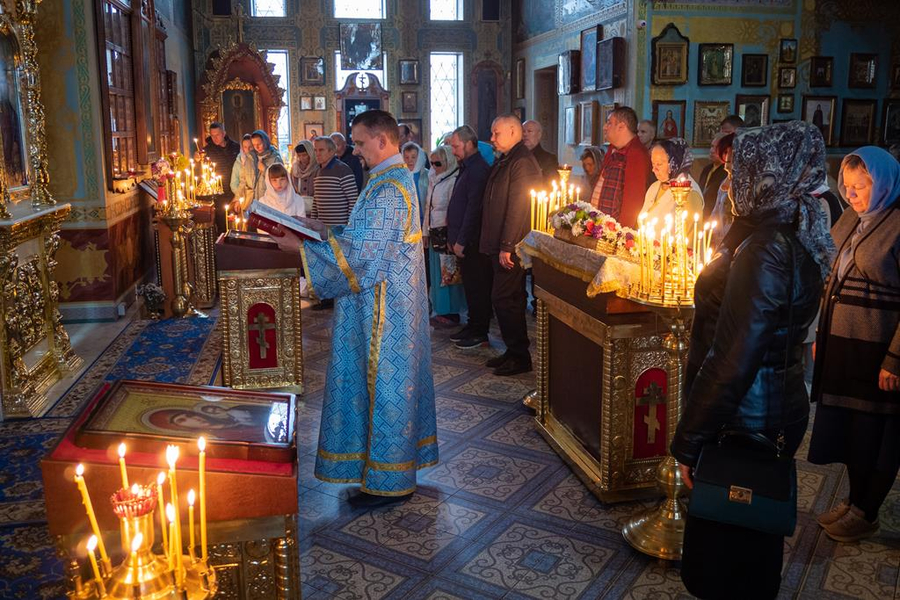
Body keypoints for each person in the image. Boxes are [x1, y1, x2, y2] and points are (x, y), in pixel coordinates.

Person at [671, 122, 834, 599]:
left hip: (743, 421)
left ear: (768, 175)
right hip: (764, 410)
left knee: (728, 560)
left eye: (745, 168)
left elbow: (732, 360)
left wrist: (689, 440)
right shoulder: (786, 230)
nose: (734, 177)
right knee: (745, 553)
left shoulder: (765, 249)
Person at [271, 109, 437, 507]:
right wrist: (322, 233)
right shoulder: (387, 181)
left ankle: (389, 483)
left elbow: (363, 257)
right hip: (382, 306)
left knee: (386, 390)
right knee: (379, 389)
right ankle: (375, 472)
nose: (357, 151)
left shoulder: (390, 188)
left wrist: (304, 252)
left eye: (361, 143)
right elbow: (363, 235)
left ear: (383, 140)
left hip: (386, 314)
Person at [807, 147, 900, 543]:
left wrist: (896, 359)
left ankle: (867, 510)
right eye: (847, 186)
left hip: (877, 350)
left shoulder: (897, 223)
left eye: (861, 186)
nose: (853, 194)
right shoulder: (853, 219)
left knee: (874, 434)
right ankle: (853, 501)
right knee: (849, 428)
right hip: (844, 344)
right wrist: (821, 335)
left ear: (883, 183)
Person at [480, 115, 542, 376]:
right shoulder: (508, 158)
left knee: (505, 298)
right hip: (501, 243)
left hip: (511, 245)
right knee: (510, 298)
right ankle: (513, 351)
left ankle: (519, 356)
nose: (492, 139)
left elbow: (518, 208)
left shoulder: (522, 162)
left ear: (513, 131)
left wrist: (507, 245)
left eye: (496, 133)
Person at [446, 125, 494, 349]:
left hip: (473, 242)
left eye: (456, 146)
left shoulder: (478, 169)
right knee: (471, 287)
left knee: (478, 287)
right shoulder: (467, 166)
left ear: (468, 144)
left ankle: (480, 331)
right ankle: (472, 325)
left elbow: (474, 209)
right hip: (464, 240)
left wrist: (462, 240)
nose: (453, 150)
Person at [311, 135, 358, 310]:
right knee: (326, 263)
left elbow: (352, 200)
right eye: (315, 150)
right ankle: (327, 297)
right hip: (322, 228)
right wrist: (314, 221)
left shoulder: (342, 170)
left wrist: (348, 227)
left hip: (339, 227)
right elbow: (316, 200)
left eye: (321, 150)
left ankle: (340, 298)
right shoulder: (318, 172)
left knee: (339, 264)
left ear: (332, 151)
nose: (318, 154)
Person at [423, 145, 465, 327]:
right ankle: (441, 310)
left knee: (448, 272)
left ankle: (451, 312)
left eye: (438, 163)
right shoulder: (433, 179)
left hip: (446, 231)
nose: (434, 167)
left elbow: (454, 211)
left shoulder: (453, 180)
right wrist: (425, 232)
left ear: (448, 161)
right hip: (434, 231)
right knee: (436, 272)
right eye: (431, 163)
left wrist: (452, 237)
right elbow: (428, 207)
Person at [592, 106, 653, 227]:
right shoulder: (613, 149)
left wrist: (623, 232)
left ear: (622, 126)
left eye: (609, 123)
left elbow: (633, 199)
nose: (605, 127)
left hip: (615, 230)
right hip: (601, 224)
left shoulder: (636, 153)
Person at [641, 138, 703, 223]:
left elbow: (692, 232)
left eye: (659, 164)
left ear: (675, 163)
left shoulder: (689, 193)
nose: (654, 169)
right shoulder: (654, 187)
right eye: (653, 164)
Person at [198, 122, 241, 232]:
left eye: (217, 135)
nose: (215, 138)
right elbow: (202, 171)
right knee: (222, 225)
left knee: (237, 223)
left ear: (224, 133)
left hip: (235, 190)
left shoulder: (236, 147)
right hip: (218, 194)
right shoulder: (207, 150)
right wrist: (198, 160)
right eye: (212, 135)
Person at [699, 132, 729, 219]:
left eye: (717, 148)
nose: (712, 151)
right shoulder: (707, 169)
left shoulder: (727, 173)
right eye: (712, 146)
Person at [522, 120, 559, 185]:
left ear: (539, 135)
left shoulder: (549, 159)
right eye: (523, 131)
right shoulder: (516, 156)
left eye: (529, 131)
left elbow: (551, 183)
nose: (525, 134)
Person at [250, 130, 283, 200]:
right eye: (254, 145)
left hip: (271, 198)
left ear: (265, 141)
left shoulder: (275, 158)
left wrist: (265, 170)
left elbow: (280, 180)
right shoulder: (252, 157)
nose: (257, 147)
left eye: (259, 144)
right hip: (256, 198)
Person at [230, 133, 256, 214]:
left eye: (250, 147)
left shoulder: (257, 160)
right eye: (245, 147)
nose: (247, 149)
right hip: (244, 198)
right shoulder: (239, 162)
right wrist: (239, 197)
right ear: (242, 148)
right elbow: (236, 183)